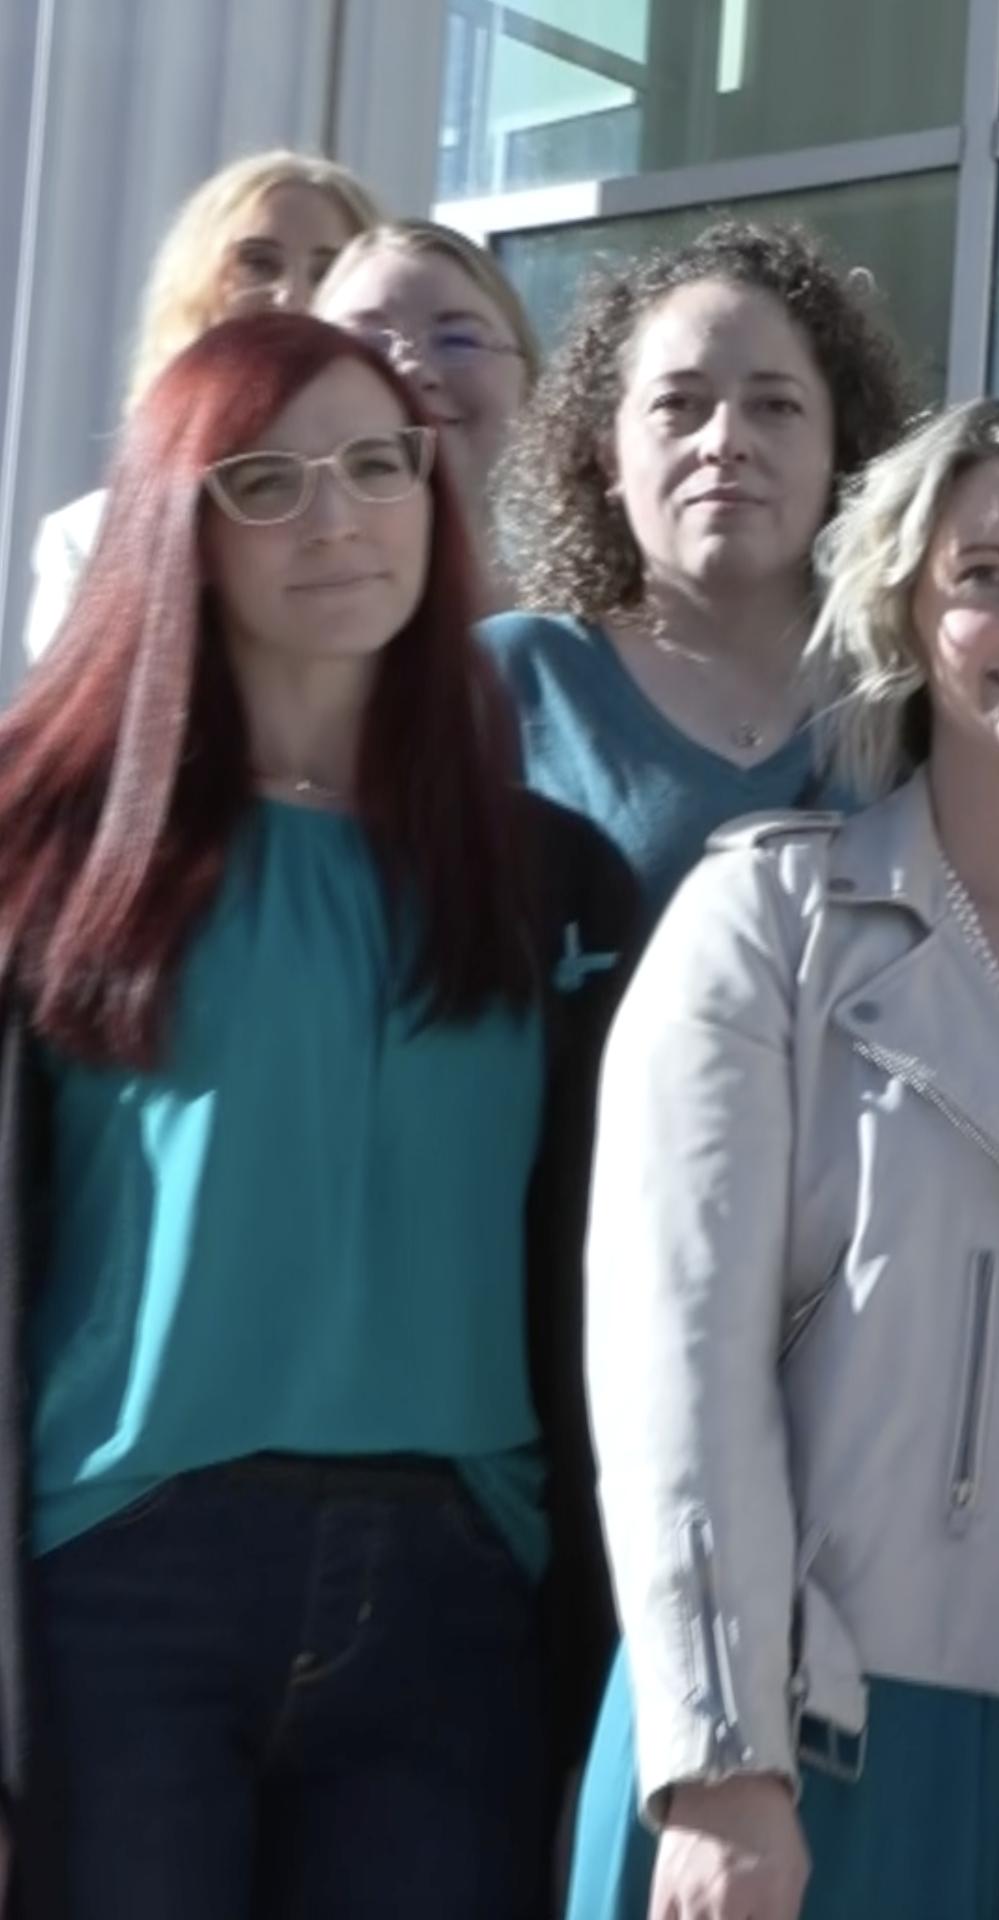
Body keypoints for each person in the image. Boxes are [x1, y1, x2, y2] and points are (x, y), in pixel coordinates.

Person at [565, 399, 999, 1920]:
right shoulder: (765, 934)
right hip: (828, 1755)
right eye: (984, 575)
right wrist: (721, 1756)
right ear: (904, 606)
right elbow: (671, 1370)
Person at [0, 311, 636, 1917]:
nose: (339, 515)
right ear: (177, 523)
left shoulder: (553, 877)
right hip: (121, 1591)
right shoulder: (43, 854)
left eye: (377, 464)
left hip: (457, 1603)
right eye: (266, 482)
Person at [486, 221, 917, 919]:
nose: (724, 442)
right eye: (677, 405)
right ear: (607, 455)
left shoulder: (913, 699)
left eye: (775, 406)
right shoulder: (508, 682)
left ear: (841, 448)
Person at [17, 149, 383, 681]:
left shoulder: (403, 520)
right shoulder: (87, 538)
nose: (293, 295)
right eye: (258, 262)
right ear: (197, 289)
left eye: (328, 271)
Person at [312, 220, 543, 594]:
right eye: (366, 346)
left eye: (458, 341)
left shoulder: (575, 645)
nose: (412, 370)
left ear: (528, 386)